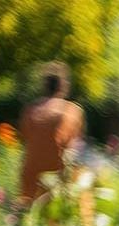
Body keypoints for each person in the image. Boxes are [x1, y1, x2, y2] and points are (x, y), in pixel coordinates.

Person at [19, 62, 85, 204]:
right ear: (63, 85)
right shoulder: (72, 111)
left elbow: (25, 138)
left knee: (27, 216)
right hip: (57, 176)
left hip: (31, 174)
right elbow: (75, 146)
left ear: (45, 86)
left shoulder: (31, 110)